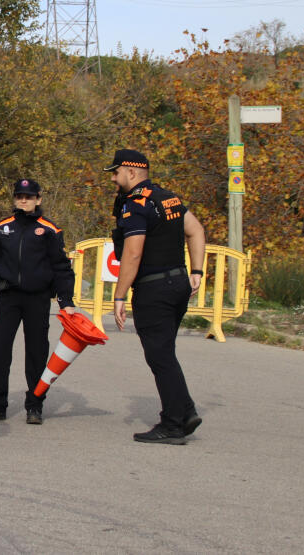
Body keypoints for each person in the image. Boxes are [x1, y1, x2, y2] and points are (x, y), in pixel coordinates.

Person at [107, 148, 207, 445]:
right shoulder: (168, 198)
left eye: (116, 173)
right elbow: (196, 230)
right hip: (178, 284)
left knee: (159, 356)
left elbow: (133, 253)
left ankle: (173, 424)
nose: (113, 179)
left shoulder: (136, 204)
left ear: (131, 172)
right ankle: (185, 410)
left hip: (154, 289)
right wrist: (197, 271)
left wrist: (119, 296)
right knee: (165, 353)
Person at [0, 178, 77, 425]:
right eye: (19, 196)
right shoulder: (1, 228)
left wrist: (66, 300)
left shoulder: (49, 230)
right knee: (0, 351)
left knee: (36, 353)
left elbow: (61, 267)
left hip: (37, 299)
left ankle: (35, 405)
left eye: (29, 197)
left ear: (38, 199)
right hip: (8, 297)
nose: (24, 200)